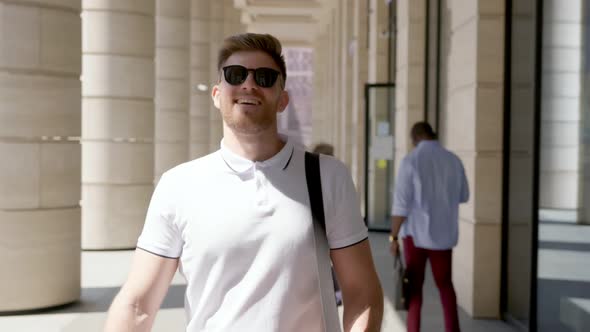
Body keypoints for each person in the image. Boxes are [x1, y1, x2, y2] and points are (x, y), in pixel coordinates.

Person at [104, 33, 383, 332]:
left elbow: (362, 292)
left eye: (264, 77)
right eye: (235, 75)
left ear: (282, 100)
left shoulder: (327, 177)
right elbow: (137, 305)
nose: (249, 84)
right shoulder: (179, 185)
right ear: (216, 94)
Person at [389, 122, 469, 332]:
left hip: (415, 237)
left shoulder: (411, 161)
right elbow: (464, 196)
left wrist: (393, 237)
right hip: (443, 237)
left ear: (415, 138)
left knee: (414, 292)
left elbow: (401, 205)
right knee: (445, 286)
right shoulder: (453, 160)